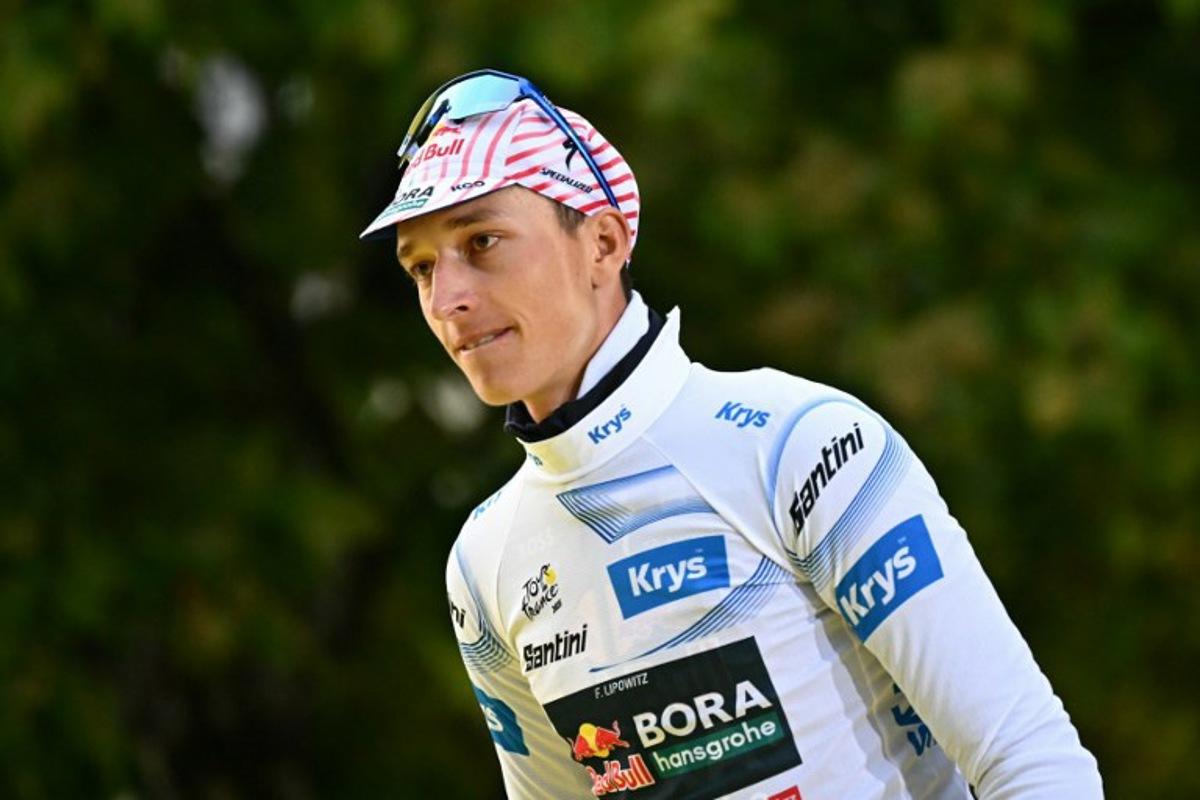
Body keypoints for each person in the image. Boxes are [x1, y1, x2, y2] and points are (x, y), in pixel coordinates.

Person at [361, 69, 1104, 799]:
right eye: (420, 268)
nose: (447, 298)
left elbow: (1031, 760)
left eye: (482, 241)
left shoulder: (799, 444)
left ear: (603, 243)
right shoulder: (484, 563)